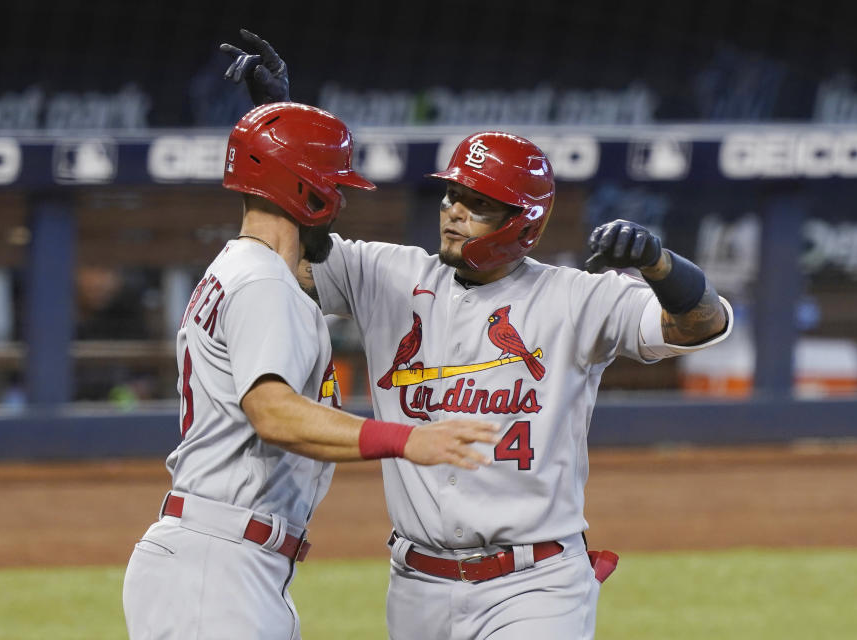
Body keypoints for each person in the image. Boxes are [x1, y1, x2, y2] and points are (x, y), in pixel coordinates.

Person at [223, 33, 732, 640]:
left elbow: (703, 323)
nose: (453, 211)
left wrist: (660, 265)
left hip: (535, 586)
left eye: (478, 202)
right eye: (452, 194)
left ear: (523, 221)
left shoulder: (577, 297)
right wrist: (276, 129)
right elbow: (278, 247)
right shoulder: (389, 274)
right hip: (417, 585)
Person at [121, 102, 499, 640]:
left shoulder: (240, 268)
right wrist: (405, 439)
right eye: (333, 186)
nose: (338, 202)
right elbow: (273, 413)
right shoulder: (265, 285)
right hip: (218, 570)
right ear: (310, 194)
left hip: (221, 562)